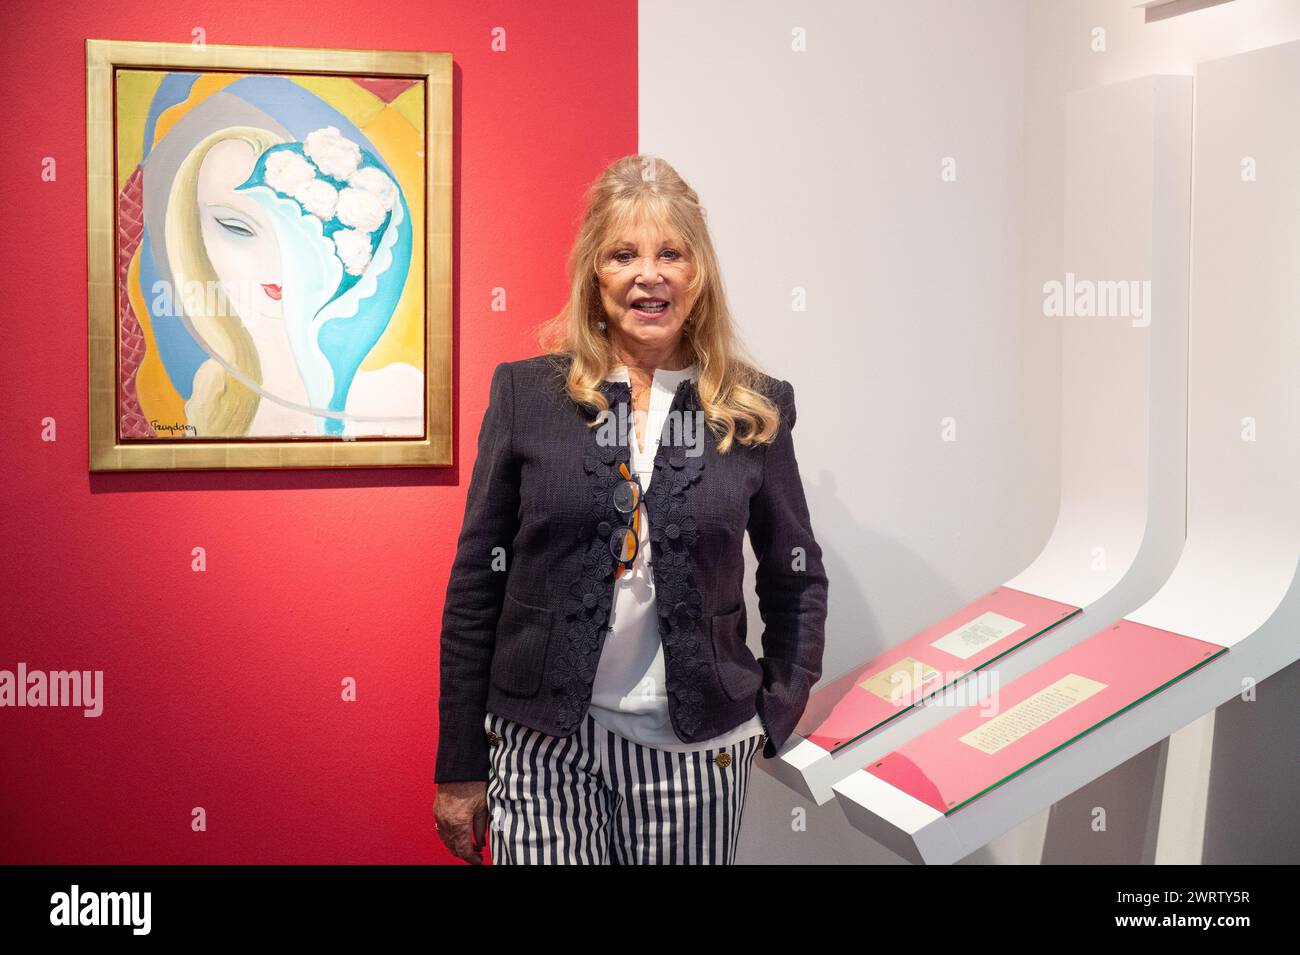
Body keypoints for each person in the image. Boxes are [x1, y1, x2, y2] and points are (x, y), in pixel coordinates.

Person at [433, 155, 828, 864]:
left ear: (698, 274)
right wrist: (460, 759)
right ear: (595, 274)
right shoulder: (528, 395)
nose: (650, 274)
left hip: (695, 755)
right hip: (542, 747)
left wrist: (776, 707)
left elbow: (795, 574)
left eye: (671, 252)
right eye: (624, 253)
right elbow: (474, 586)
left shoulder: (754, 405)